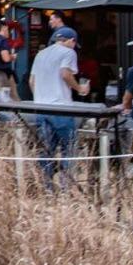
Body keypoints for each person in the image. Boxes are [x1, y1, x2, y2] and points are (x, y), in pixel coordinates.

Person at [29, 25, 90, 187]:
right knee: (69, 147)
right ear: (71, 41)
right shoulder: (69, 52)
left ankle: (47, 187)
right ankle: (65, 187)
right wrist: (80, 88)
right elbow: (65, 74)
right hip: (61, 108)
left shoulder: (40, 54)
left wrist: (40, 97)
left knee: (46, 150)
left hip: (41, 109)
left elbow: (31, 82)